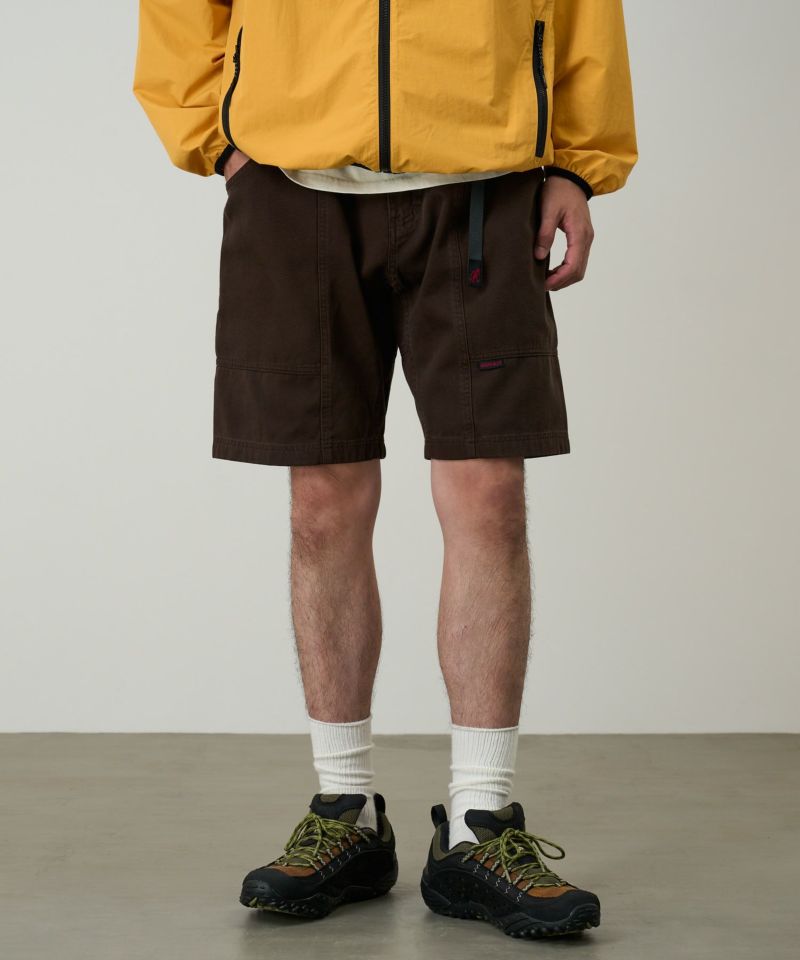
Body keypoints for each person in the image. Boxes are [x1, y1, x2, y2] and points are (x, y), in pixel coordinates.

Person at [134, 0, 636, 940]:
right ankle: (346, 809)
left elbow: (582, 11)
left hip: (484, 183)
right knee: (322, 501)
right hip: (294, 186)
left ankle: (479, 820)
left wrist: (577, 161)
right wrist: (219, 138)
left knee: (488, 494)